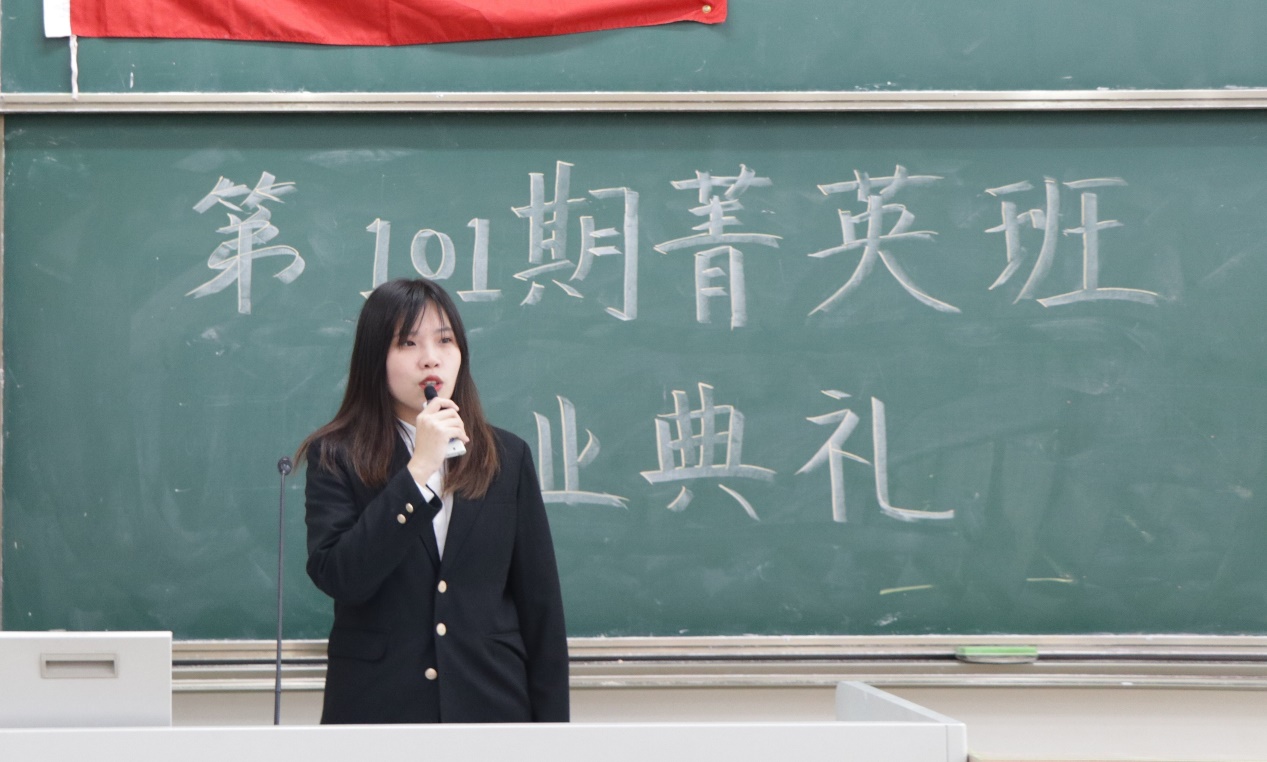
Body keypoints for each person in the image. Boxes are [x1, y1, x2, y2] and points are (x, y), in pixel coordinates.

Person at [296, 278, 569, 724]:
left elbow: (542, 609)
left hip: (492, 707)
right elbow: (342, 577)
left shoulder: (507, 456)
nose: (431, 358)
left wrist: (553, 738)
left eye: (445, 340)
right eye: (407, 343)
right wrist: (418, 469)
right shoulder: (336, 454)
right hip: (377, 710)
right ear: (375, 358)